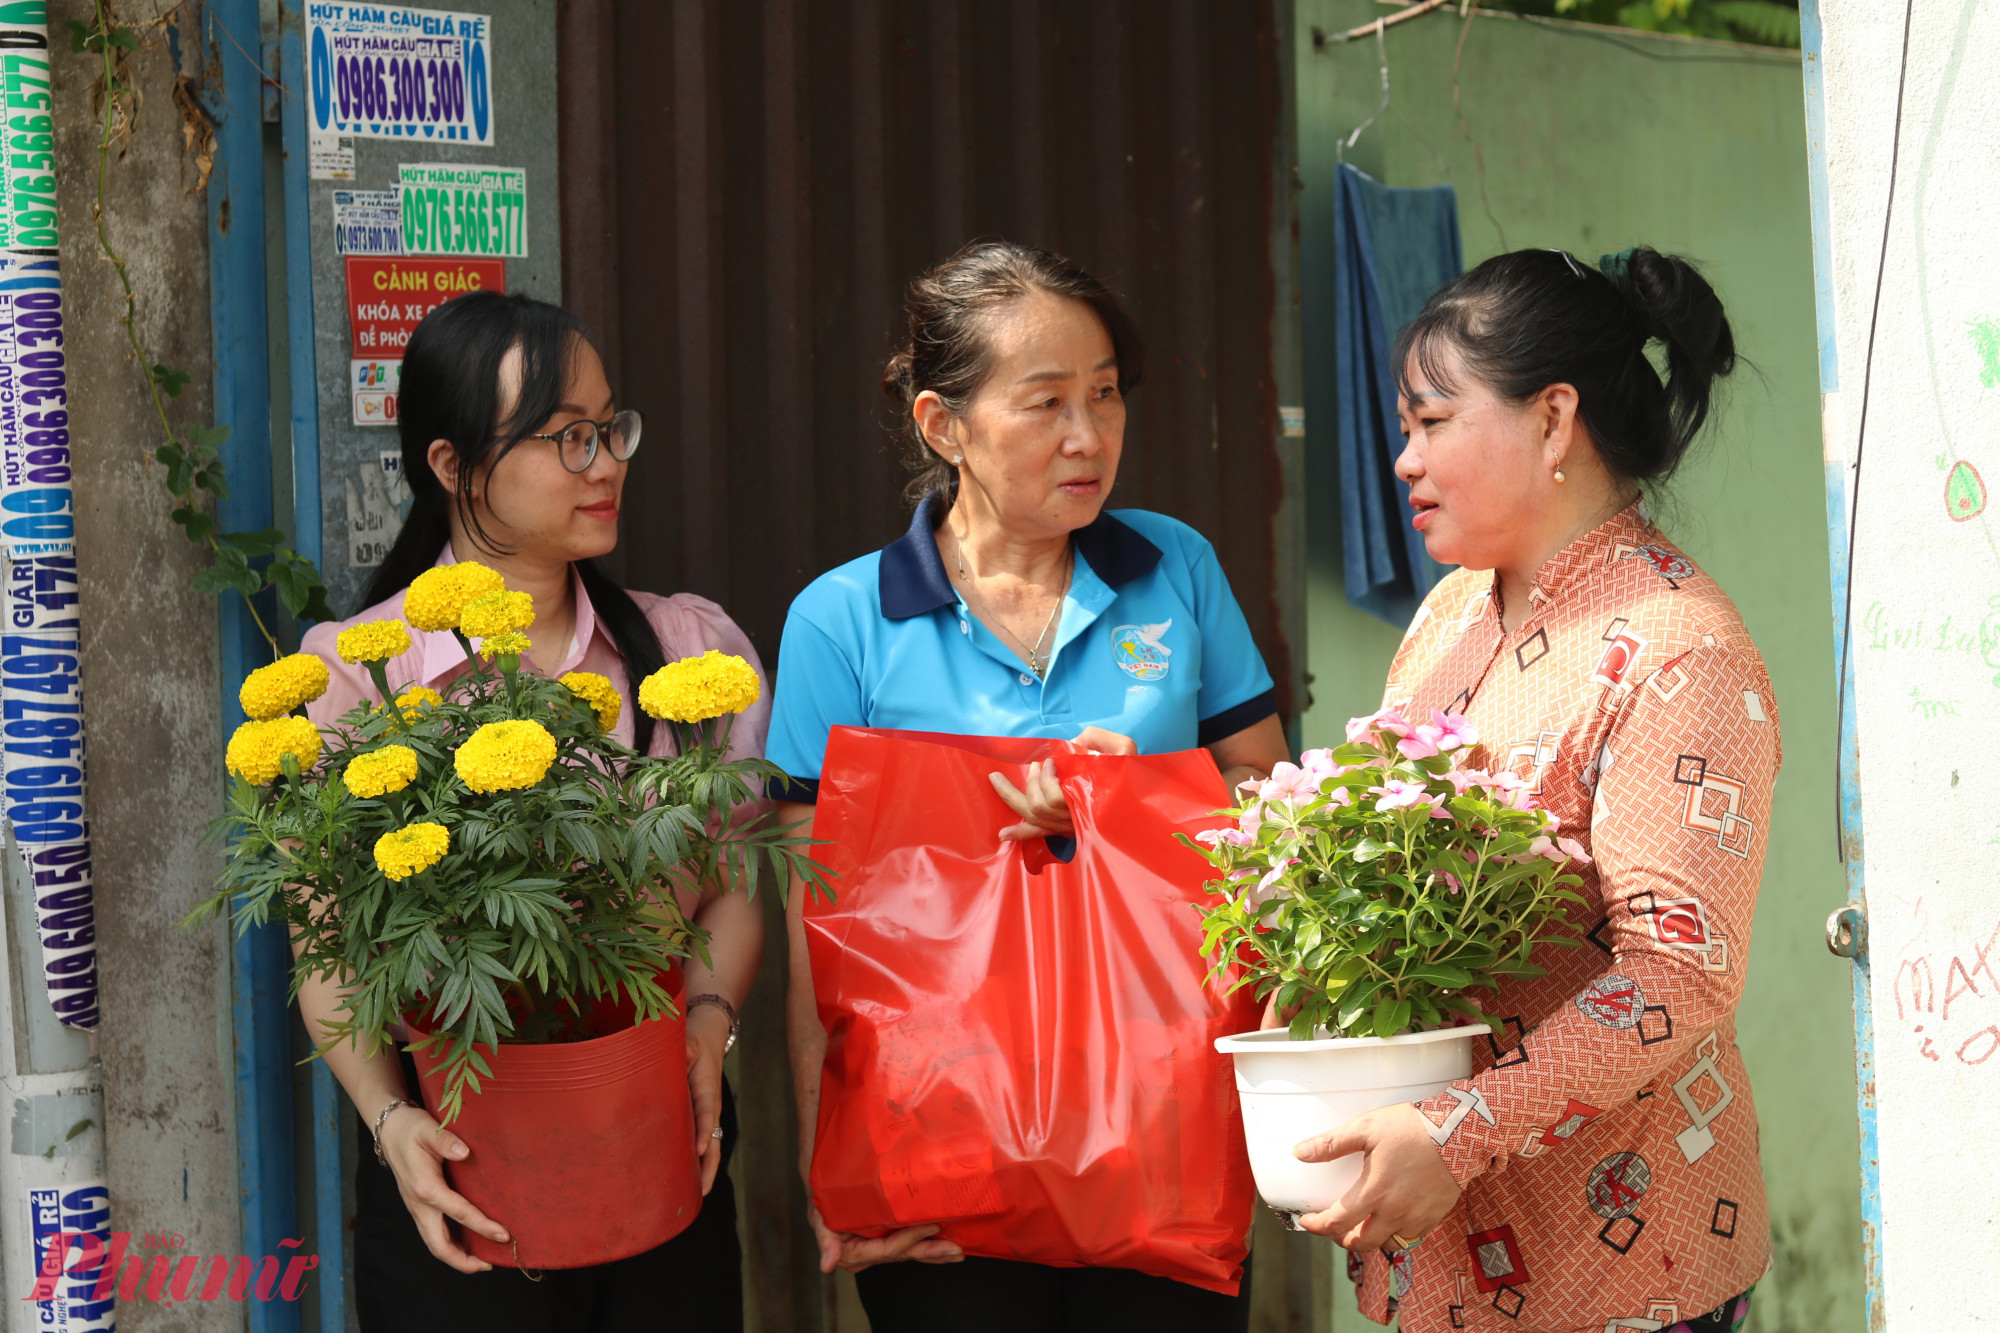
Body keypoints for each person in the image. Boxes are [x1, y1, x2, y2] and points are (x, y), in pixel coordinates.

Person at [767, 241, 1291, 1332]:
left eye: (1104, 396)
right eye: (1044, 402)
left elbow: (1269, 800)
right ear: (940, 424)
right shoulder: (841, 619)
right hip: (941, 1149)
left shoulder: (1174, 568)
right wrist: (835, 1181)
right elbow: (817, 925)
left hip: (1159, 1128)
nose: (1087, 436)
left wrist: (1132, 798)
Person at [1291, 247, 1773, 1333]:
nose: (1400, 460)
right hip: (1446, 1259)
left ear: (1552, 420)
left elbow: (1675, 976)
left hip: (1622, 1264)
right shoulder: (1450, 614)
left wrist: (1457, 1126)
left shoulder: (1675, 648)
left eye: (1430, 422)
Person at [298, 291, 767, 1332]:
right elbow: (322, 936)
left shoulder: (691, 652)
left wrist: (706, 1021)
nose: (606, 461)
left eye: (611, 428)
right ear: (453, 467)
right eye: (566, 438)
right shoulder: (358, 681)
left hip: (663, 1146)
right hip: (461, 1172)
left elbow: (732, 884)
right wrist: (389, 1121)